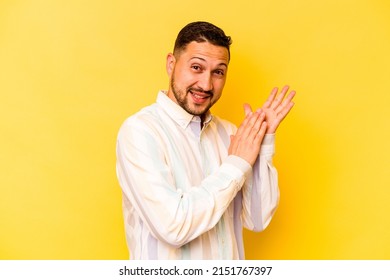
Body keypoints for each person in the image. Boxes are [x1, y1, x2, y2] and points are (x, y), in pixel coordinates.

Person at [116, 21, 295, 260]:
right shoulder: (141, 131)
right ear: (171, 64)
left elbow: (258, 219)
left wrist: (261, 144)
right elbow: (173, 226)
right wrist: (237, 164)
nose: (206, 84)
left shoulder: (230, 134)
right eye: (197, 67)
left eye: (218, 72)